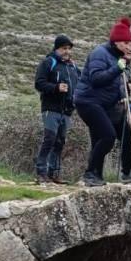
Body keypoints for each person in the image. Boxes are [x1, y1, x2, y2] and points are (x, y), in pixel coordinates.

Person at [74, 17, 131, 187]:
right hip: (88, 101)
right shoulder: (100, 53)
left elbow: (118, 82)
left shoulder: (120, 57)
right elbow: (96, 79)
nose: (128, 46)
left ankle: (124, 172)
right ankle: (90, 174)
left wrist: (125, 92)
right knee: (107, 136)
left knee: (124, 132)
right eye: (125, 43)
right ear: (116, 42)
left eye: (129, 43)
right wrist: (118, 67)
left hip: (107, 103)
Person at [34, 34, 80, 184]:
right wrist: (56, 87)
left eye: (69, 48)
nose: (67, 51)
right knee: (49, 139)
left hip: (67, 111)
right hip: (50, 108)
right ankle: (41, 173)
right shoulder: (48, 63)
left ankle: (54, 173)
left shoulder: (72, 66)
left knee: (60, 142)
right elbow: (39, 84)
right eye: (63, 48)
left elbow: (80, 84)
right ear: (56, 48)